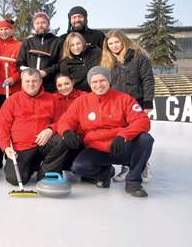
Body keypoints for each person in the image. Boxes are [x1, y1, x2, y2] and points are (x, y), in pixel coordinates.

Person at [58, 66, 153, 197]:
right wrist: (66, 131)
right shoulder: (81, 102)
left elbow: (143, 120)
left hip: (121, 146)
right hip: (97, 148)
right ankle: (106, 173)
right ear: (90, 84)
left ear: (109, 81)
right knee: (78, 167)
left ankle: (133, 182)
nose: (98, 85)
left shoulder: (124, 99)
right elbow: (65, 120)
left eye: (102, 80)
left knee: (145, 139)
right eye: (94, 82)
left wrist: (123, 135)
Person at [100, 29, 155, 182]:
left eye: (117, 42)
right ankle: (126, 166)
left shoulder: (139, 56)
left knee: (139, 135)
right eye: (110, 44)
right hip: (117, 106)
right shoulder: (107, 62)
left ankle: (143, 164)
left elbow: (148, 79)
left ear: (123, 41)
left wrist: (148, 102)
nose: (114, 46)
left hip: (136, 103)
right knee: (122, 136)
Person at [0, 68, 67, 185]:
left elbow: (63, 120)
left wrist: (51, 129)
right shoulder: (12, 100)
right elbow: (2, 125)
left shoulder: (52, 99)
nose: (31, 84)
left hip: (43, 144)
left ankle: (45, 173)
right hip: (21, 148)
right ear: (22, 82)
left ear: (40, 82)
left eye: (34, 81)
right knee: (15, 179)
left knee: (62, 140)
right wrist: (5, 147)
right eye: (27, 81)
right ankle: (29, 166)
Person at [0, 18, 22, 170]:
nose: (4, 32)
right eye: (0, 30)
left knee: (14, 126)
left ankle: (13, 156)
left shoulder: (20, 46)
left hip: (14, 93)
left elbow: (23, 67)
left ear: (12, 30)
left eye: (6, 29)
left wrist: (14, 79)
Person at [17, 12, 61, 93]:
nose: (40, 25)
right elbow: (20, 62)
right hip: (30, 85)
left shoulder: (57, 41)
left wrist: (46, 72)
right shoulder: (28, 42)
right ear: (34, 25)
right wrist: (28, 73)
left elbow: (61, 63)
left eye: (43, 22)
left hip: (50, 85)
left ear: (48, 24)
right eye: (37, 23)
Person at [53, 74, 86, 172]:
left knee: (80, 169)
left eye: (66, 83)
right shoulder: (52, 98)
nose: (63, 88)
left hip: (80, 137)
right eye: (60, 85)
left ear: (73, 82)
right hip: (60, 136)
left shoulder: (84, 96)